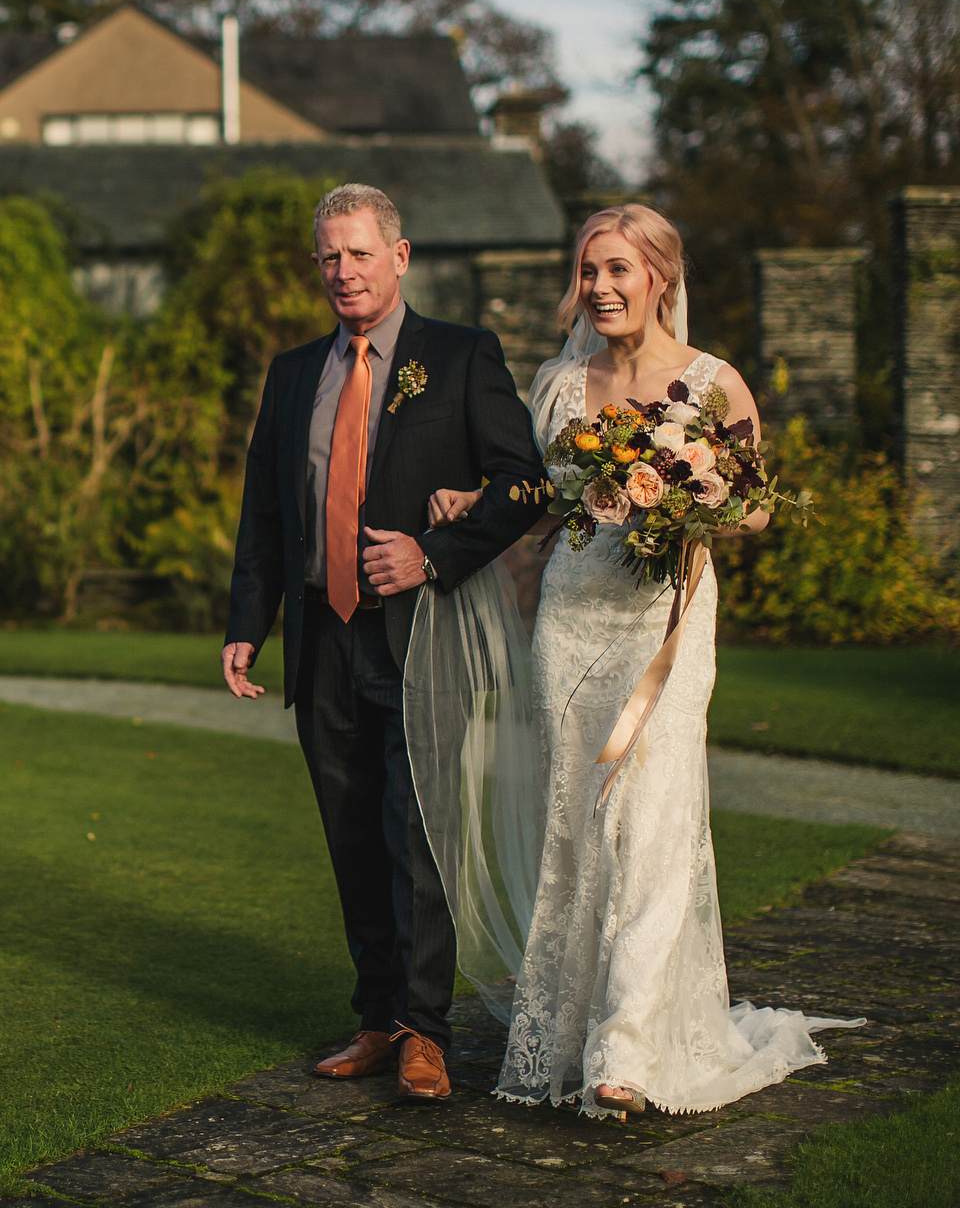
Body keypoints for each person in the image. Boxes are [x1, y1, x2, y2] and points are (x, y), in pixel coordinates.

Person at [428, 204, 862, 1117]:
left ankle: (626, 1046)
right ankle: (566, 1028)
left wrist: (689, 498)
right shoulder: (558, 383)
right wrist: (476, 499)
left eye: (620, 269)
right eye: (590, 271)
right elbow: (540, 502)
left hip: (666, 625)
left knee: (654, 823)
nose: (602, 288)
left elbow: (756, 511)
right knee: (575, 825)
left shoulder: (713, 383)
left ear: (661, 277)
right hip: (573, 623)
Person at [221, 183, 544, 1101]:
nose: (343, 271)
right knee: (352, 832)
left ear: (399, 258)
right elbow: (265, 511)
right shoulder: (292, 374)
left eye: (359, 253)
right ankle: (375, 1016)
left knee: (418, 831)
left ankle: (425, 1032)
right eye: (328, 256)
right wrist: (250, 625)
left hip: (421, 638)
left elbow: (526, 484)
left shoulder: (461, 355)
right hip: (322, 638)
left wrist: (434, 553)